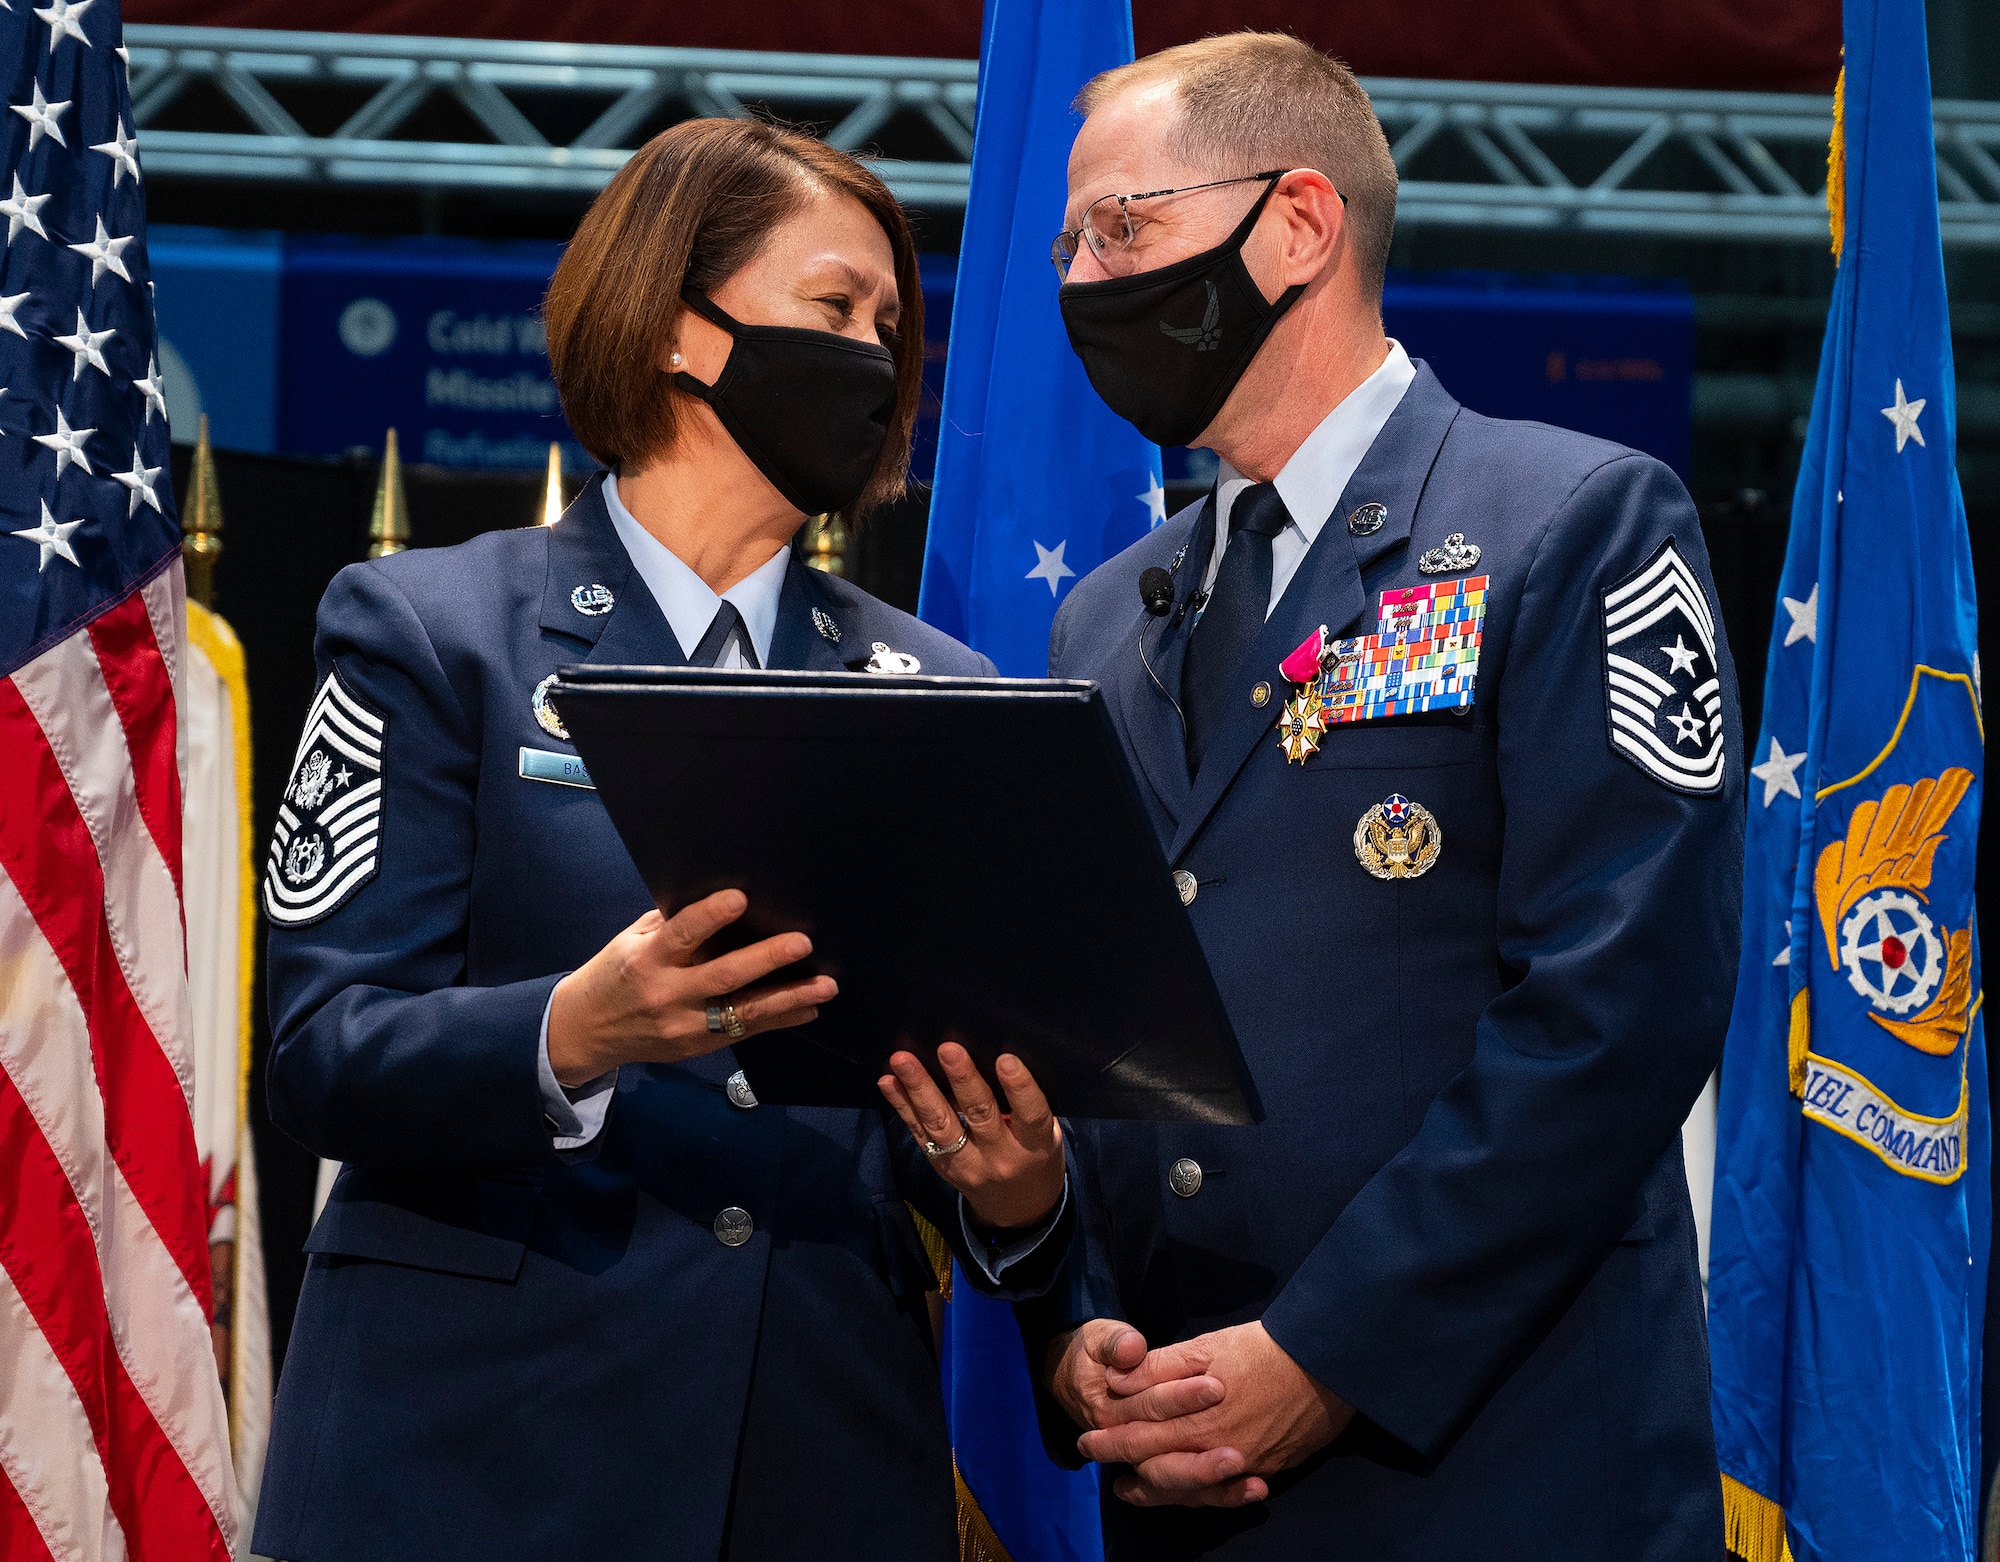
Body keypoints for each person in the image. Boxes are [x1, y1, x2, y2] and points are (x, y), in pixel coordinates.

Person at [251, 119, 1072, 1562]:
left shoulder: (942, 694)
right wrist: (575, 1027)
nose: (876, 358)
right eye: (834, 310)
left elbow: (968, 1096)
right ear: (685, 331)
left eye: (892, 324)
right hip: (474, 1459)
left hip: (814, 1465)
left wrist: (1015, 1196)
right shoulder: (431, 631)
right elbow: (322, 1051)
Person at [1028, 33, 1744, 1559]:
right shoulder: (1102, 615)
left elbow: (1618, 1012)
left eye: (1124, 230)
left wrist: (1330, 1355)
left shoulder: (1576, 525)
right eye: (1070, 243)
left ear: (1297, 224)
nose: (1083, 282)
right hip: (1185, 1471)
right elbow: (1108, 1015)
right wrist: (1075, 1310)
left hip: (1501, 1473)